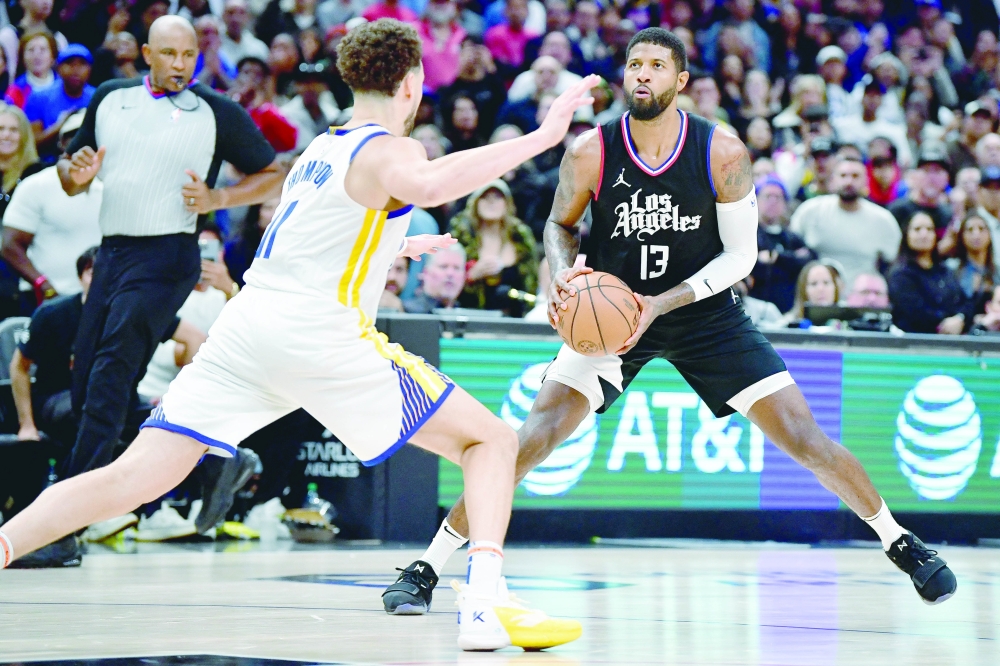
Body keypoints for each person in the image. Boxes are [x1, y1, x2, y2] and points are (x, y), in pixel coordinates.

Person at [0, 19, 593, 652]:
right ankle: (484, 605)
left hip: (246, 331)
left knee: (133, 476)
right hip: (316, 336)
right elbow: (428, 185)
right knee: (492, 441)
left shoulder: (321, 147)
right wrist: (542, 136)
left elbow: (320, 233)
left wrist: (396, 245)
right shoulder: (394, 150)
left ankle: (6, 543)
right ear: (412, 83)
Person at [384, 27, 957, 616]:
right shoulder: (591, 150)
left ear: (680, 81)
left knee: (804, 438)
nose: (642, 73)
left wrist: (660, 302)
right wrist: (562, 274)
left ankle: (899, 540)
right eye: (635, 63)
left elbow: (740, 256)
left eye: (657, 65)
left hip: (703, 313)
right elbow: (560, 225)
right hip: (610, 314)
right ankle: (427, 565)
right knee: (532, 439)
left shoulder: (721, 151)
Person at [9, 15, 286, 569]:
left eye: (189, 55)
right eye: (170, 54)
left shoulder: (215, 111)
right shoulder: (110, 98)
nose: (181, 65)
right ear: (146, 54)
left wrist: (219, 199)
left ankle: (61, 530)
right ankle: (209, 458)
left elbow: (273, 173)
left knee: (108, 381)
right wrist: (74, 175)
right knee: (87, 391)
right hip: (111, 254)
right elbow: (71, 174)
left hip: (168, 257)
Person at [1, 111, 102, 313]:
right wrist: (44, 285)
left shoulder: (114, 185)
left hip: (100, 297)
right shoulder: (37, 184)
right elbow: (10, 244)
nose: (82, 146)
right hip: (42, 298)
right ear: (62, 143)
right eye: (73, 137)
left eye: (89, 140)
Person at [10, 248, 98, 450]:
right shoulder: (52, 313)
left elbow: (182, 335)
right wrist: (27, 425)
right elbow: (19, 367)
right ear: (80, 277)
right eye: (93, 273)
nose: (101, 280)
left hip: (108, 394)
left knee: (156, 417)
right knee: (91, 414)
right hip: (56, 395)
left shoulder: (125, 315)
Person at [789, 156, 901, 288]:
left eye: (855, 176)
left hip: (863, 295)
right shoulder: (810, 211)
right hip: (818, 294)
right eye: (843, 175)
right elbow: (791, 248)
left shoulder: (883, 220)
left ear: (866, 181)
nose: (848, 182)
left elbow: (895, 262)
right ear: (833, 179)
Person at [449, 178, 538, 316]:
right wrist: (471, 276)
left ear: (507, 204)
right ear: (475, 203)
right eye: (485, 197)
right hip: (470, 317)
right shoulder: (460, 237)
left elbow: (532, 283)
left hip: (516, 319)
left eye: (497, 197)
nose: (491, 202)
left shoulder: (521, 238)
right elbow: (445, 284)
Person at [887, 211, 971, 335]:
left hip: (952, 340)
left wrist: (960, 319)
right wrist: (945, 322)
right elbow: (914, 313)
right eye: (917, 229)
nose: (924, 234)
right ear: (906, 235)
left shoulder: (946, 271)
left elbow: (965, 302)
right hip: (914, 340)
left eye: (929, 229)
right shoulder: (899, 274)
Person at [749, 176, 814, 313]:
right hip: (757, 308)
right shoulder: (748, 235)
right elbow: (754, 268)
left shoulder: (792, 238)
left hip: (790, 308)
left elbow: (809, 261)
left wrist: (777, 258)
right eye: (768, 196)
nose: (773, 202)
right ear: (755, 200)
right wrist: (792, 259)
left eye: (778, 197)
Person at [24, 44, 95, 159]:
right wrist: (61, 125)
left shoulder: (96, 97)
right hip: (47, 162)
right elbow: (31, 143)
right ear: (59, 68)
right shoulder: (38, 97)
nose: (75, 70)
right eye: (69, 63)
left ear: (90, 69)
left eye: (82, 64)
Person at [888, 143, 952, 234]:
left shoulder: (948, 214)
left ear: (947, 178)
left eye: (937, 171)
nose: (932, 177)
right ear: (914, 176)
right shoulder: (897, 211)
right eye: (926, 170)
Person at [403, 243, 467, 312]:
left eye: (457, 268)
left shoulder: (468, 315)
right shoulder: (406, 312)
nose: (450, 273)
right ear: (426, 273)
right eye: (443, 266)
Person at [4, 30, 57, 109]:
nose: (36, 55)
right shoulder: (16, 90)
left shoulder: (65, 85)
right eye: (31, 50)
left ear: (52, 56)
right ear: (22, 57)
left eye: (42, 49)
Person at [780, 260, 841, 325]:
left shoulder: (846, 324)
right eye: (814, 284)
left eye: (826, 283)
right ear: (803, 289)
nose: (820, 289)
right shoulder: (788, 324)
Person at [220, 0, 270, 64]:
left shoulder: (259, 48)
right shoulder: (215, 48)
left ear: (248, 17)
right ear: (223, 16)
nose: (235, 19)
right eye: (230, 13)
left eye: (241, 13)